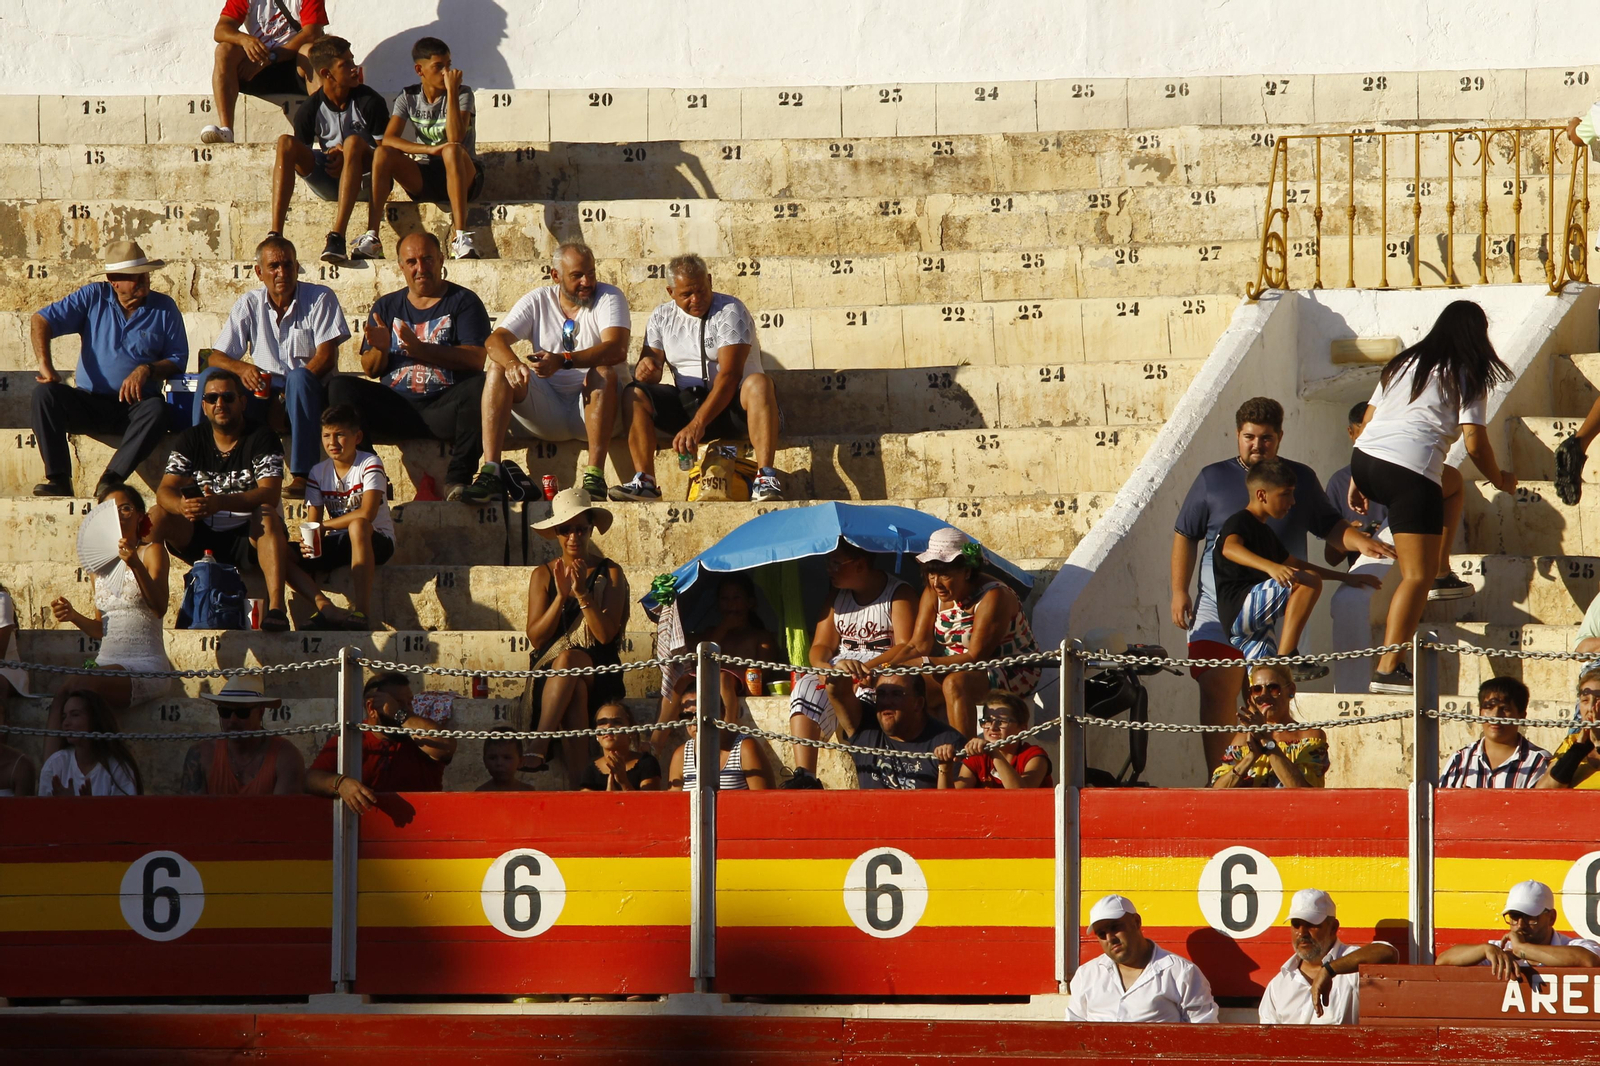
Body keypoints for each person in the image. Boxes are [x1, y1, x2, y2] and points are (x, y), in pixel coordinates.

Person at [1171, 397, 1394, 768]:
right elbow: (1186, 534)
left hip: (1277, 612)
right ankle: (1220, 784)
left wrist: (1364, 546)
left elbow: (1330, 527)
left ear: (1280, 437)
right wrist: (1179, 591)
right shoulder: (1212, 478)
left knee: (1265, 702)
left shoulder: (1298, 479)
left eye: (1266, 438)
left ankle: (1263, 781)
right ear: (1237, 435)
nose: (1257, 445)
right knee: (1218, 690)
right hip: (1218, 608)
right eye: (1249, 437)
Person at [1349, 301, 1515, 694]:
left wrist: (1357, 478)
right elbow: (1474, 442)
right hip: (1409, 472)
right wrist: (1500, 479)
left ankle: (1442, 570)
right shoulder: (1469, 372)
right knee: (1414, 576)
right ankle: (1390, 666)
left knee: (1452, 482)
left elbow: (1369, 420)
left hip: (1365, 460)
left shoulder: (1404, 363)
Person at [327, 232, 489, 501]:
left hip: (444, 408)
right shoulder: (387, 306)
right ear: (401, 266)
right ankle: (371, 478)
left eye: (427, 259)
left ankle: (458, 479)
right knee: (339, 387)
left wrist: (420, 350)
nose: (420, 268)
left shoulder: (464, 301)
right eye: (411, 261)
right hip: (397, 409)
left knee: (481, 385)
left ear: (441, 259)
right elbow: (370, 369)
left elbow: (476, 359)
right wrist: (380, 348)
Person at [610, 254, 784, 503]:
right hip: (688, 404)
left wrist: (698, 423)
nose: (696, 300)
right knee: (634, 393)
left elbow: (730, 375)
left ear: (710, 281)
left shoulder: (730, 310)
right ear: (671, 292)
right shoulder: (661, 317)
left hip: (735, 407)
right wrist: (646, 370)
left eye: (701, 291)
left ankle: (765, 478)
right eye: (686, 295)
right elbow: (652, 367)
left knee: (759, 383)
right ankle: (645, 481)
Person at [464, 244, 627, 504]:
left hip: (597, 410)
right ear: (556, 276)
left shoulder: (609, 297)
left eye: (591, 273)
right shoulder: (538, 300)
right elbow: (494, 342)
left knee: (603, 372)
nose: (587, 282)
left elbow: (617, 349)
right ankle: (491, 471)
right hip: (548, 409)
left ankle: (595, 474)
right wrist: (513, 364)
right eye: (577, 276)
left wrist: (564, 361)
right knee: (497, 368)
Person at [30, 241, 188, 499]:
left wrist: (147, 369)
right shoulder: (93, 296)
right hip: (89, 402)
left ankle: (111, 479)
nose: (144, 280)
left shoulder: (164, 308)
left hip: (136, 405)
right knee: (44, 395)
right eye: (135, 276)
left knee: (158, 411)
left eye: (145, 274)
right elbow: (41, 319)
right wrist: (45, 363)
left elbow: (177, 359)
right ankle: (58, 478)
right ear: (114, 280)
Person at [199, 235, 348, 497]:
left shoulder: (320, 298)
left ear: (296, 266)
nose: (282, 272)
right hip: (265, 391)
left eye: (288, 265)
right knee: (212, 379)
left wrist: (285, 396)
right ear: (259, 272)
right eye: (274, 267)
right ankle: (208, 467)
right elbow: (216, 357)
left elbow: (326, 357)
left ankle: (303, 475)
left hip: (308, 391)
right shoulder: (249, 303)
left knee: (299, 379)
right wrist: (243, 368)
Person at [1213, 457, 1382, 676]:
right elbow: (1230, 549)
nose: (1292, 501)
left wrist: (1345, 577)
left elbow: (1294, 564)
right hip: (1239, 608)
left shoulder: (1265, 532)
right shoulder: (1240, 520)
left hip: (1252, 627)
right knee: (1308, 581)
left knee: (1270, 679)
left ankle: (1277, 671)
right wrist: (1271, 567)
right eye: (1285, 494)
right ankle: (1288, 656)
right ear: (1262, 495)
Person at [152, 369, 293, 632]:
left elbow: (270, 494)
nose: (220, 404)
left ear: (242, 402)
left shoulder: (262, 437)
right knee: (156, 515)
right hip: (201, 535)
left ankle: (277, 608)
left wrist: (220, 502)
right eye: (212, 398)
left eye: (228, 397)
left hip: (247, 537)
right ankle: (149, 607)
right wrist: (182, 506)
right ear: (203, 405)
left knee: (266, 512)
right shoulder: (190, 439)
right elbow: (165, 490)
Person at [518, 489, 630, 785]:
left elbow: (606, 636)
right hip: (552, 672)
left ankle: (539, 743)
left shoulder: (612, 572)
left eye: (580, 528)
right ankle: (579, 785)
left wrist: (582, 594)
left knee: (570, 660)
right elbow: (537, 639)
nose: (573, 536)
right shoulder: (543, 575)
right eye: (566, 529)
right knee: (574, 687)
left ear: (590, 529)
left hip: (601, 668)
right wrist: (560, 597)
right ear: (556, 532)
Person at [785, 542, 915, 785]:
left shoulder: (898, 593)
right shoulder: (837, 595)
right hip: (841, 666)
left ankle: (874, 778)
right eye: (828, 562)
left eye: (836, 563)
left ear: (860, 565)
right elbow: (820, 645)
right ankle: (805, 777)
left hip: (881, 668)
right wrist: (823, 667)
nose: (829, 569)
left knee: (868, 696)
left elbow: (906, 646)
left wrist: (868, 669)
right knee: (806, 688)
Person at [896, 528, 1041, 737]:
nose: (936, 582)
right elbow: (916, 645)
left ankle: (965, 761)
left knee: (955, 684)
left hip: (1008, 667)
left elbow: (975, 656)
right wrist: (882, 669)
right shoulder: (932, 592)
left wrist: (925, 663)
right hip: (952, 664)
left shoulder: (994, 595)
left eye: (944, 574)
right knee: (903, 688)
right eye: (931, 573)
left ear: (967, 571)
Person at [47, 485, 175, 722]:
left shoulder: (152, 552)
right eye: (110, 511)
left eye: (125, 508)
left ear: (139, 515)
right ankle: (55, 760)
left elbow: (159, 607)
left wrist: (135, 564)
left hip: (145, 665)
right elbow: (101, 629)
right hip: (106, 664)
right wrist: (73, 615)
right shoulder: (98, 570)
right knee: (64, 696)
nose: (118, 516)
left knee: (78, 687)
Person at [354, 37, 484, 261]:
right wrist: (428, 149)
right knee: (383, 154)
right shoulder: (409, 96)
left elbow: (455, 138)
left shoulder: (463, 93)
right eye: (439, 67)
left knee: (451, 150)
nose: (446, 72)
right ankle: (372, 237)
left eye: (448, 65)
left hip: (464, 174)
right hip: (427, 173)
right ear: (419, 69)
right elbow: (389, 139)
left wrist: (452, 92)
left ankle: (460, 237)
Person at [270, 36, 391, 264]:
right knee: (285, 143)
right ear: (327, 73)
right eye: (346, 64)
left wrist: (351, 151)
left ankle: (337, 236)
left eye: (352, 61)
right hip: (330, 178)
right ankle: (275, 234)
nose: (355, 69)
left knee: (354, 143)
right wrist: (330, 156)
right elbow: (300, 158)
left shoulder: (369, 100)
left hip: (368, 180)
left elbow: (387, 157)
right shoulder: (310, 109)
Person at [283, 404, 395, 629]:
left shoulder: (370, 463)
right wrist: (310, 539)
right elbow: (313, 521)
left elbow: (367, 513)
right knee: (279, 553)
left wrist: (323, 527)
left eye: (340, 435)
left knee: (357, 526)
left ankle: (362, 611)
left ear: (357, 436)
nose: (332, 443)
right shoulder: (318, 471)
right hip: (339, 540)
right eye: (326, 436)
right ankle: (325, 606)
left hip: (376, 539)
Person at [306, 672, 456, 811]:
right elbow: (310, 779)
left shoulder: (419, 734)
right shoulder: (353, 739)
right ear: (372, 708)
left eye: (409, 703)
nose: (407, 709)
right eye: (396, 703)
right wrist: (340, 783)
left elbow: (446, 747)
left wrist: (399, 714)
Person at [1065, 894, 1218, 1023]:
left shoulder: (1181, 972)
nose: (1110, 938)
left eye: (1115, 927)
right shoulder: (1086, 975)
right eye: (1101, 934)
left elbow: (1201, 1032)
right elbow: (1073, 1032)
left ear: (1136, 922)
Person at [1257, 889, 1399, 1025]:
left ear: (1333, 927)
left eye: (1311, 925)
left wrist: (1329, 970)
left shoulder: (1352, 961)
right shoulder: (1278, 984)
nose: (1302, 933)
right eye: (1296, 924)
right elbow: (1268, 1041)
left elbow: (1388, 953)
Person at [202, 0, 326, 145]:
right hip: (256, 66)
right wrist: (244, 39)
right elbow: (221, 30)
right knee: (224, 50)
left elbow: (312, 34)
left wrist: (270, 57)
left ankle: (326, 132)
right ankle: (226, 130)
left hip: (295, 64)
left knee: (311, 52)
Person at [674, 574, 782, 728]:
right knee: (681, 679)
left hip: (741, 683)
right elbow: (697, 660)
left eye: (736, 598)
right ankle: (660, 731)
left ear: (750, 603)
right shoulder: (712, 633)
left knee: (723, 676)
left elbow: (765, 672)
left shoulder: (761, 637)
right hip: (707, 680)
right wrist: (723, 629)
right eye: (725, 599)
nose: (731, 605)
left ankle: (729, 725)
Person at [1436, 880, 1600, 975]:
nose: (1520, 925)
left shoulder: (1574, 946)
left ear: (1551, 917)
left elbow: (1589, 960)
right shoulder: (1499, 950)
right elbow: (1442, 961)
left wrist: (1522, 949)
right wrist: (1484, 949)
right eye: (1514, 917)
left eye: (1530, 917)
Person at [832, 673, 965, 790]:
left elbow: (955, 807)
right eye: (881, 694)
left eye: (896, 694)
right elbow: (836, 692)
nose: (886, 701)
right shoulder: (865, 725)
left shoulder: (948, 742)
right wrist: (841, 670)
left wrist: (945, 768)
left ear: (918, 704)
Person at [179, 676, 306, 794]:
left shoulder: (285, 757)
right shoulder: (203, 754)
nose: (232, 720)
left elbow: (284, 814)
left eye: (242, 712)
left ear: (260, 712)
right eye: (225, 712)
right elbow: (192, 812)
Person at [1210, 662, 1328, 789]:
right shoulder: (1244, 738)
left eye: (1272, 688)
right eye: (1257, 689)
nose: (1264, 695)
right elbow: (1217, 791)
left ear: (1291, 690)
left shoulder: (1309, 736)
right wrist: (1251, 757)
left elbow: (1305, 794)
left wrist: (1269, 746)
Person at [1439, 677, 1551, 788]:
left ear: (1522, 715)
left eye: (1505, 709)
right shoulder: (1461, 759)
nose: (1495, 716)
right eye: (1489, 707)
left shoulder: (1539, 762)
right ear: (1480, 712)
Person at [36, 690, 142, 796]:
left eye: (75, 715)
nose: (66, 723)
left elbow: (125, 811)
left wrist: (89, 807)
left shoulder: (117, 767)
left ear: (94, 719)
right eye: (64, 717)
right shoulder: (55, 764)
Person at [668, 686, 771, 790]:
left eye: (701, 714)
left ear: (722, 712)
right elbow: (674, 803)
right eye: (687, 716)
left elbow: (764, 800)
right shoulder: (681, 755)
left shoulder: (745, 748)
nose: (695, 721)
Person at [953, 691, 1052, 788]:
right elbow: (951, 800)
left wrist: (994, 753)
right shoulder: (978, 757)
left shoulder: (1033, 756)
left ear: (1022, 728)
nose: (992, 728)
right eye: (987, 721)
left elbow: (1021, 796)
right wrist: (945, 769)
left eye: (1002, 721)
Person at [1537, 663, 1600, 789]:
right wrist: (1579, 749)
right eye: (1585, 700)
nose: (1590, 708)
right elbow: (1544, 791)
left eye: (1598, 699)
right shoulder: (1572, 742)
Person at [579, 701, 663, 791]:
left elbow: (649, 803)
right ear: (596, 734)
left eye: (617, 722)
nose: (608, 727)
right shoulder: (591, 771)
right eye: (602, 722)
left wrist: (624, 782)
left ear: (631, 731)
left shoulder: (647, 763)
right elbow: (586, 804)